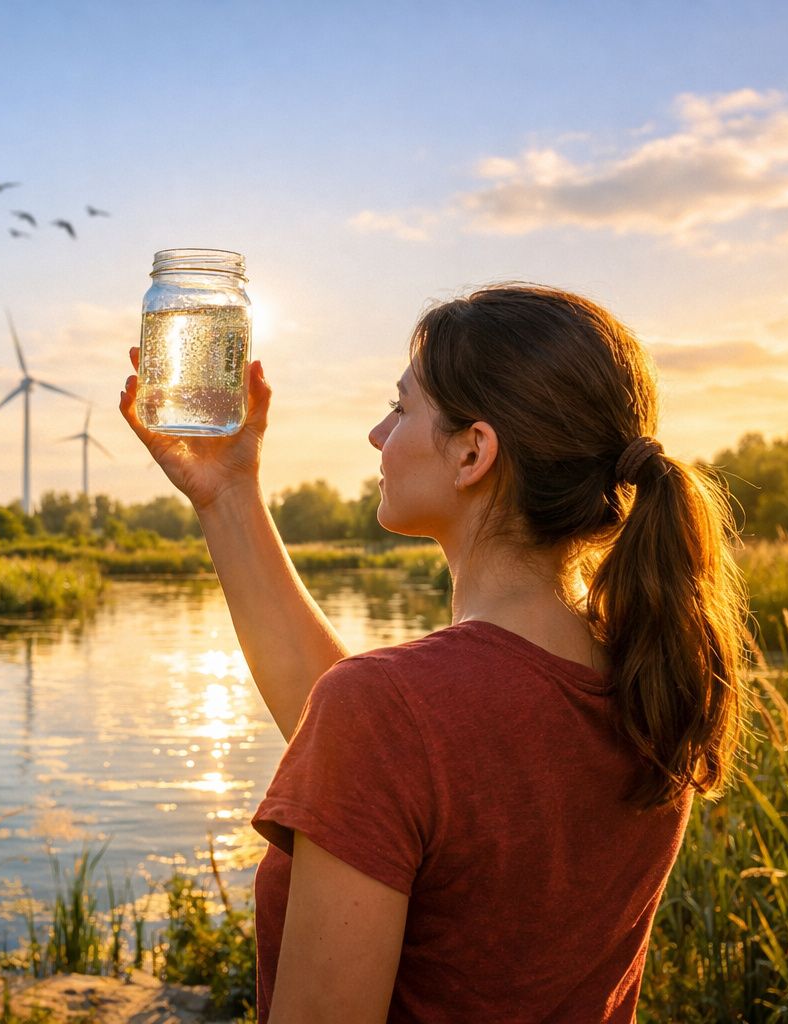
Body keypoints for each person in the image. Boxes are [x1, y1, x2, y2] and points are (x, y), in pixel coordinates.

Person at [118, 284, 748, 1023]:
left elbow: (392, 739)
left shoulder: (394, 711)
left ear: (473, 451)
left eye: (401, 406)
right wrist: (228, 494)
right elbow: (392, 762)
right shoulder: (647, 680)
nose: (378, 436)